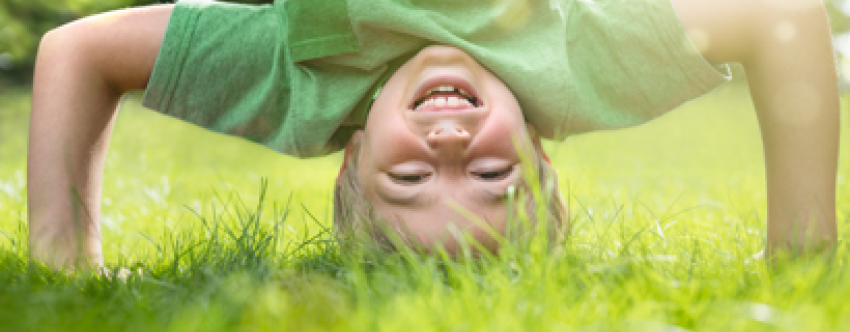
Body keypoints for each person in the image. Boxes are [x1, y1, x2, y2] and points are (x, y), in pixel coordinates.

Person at [27, 0, 839, 269]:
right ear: (540, 154)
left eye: (409, 183)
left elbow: (76, 50)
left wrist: (67, 264)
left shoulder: (297, 83)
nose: (451, 152)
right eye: (494, 178)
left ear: (351, 155)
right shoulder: (582, 69)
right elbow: (782, 18)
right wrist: (801, 250)